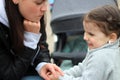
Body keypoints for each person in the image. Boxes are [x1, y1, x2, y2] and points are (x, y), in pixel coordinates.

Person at [47, 5, 120, 80]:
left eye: (91, 34)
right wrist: (62, 73)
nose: (85, 37)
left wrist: (60, 77)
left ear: (112, 37)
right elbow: (83, 67)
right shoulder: (105, 49)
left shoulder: (100, 57)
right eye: (85, 32)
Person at [0, 0, 63, 80]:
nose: (45, 9)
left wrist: (42, 64)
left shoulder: (31, 13)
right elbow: (8, 76)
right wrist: (30, 41)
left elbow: (42, 45)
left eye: (46, 1)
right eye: (38, 3)